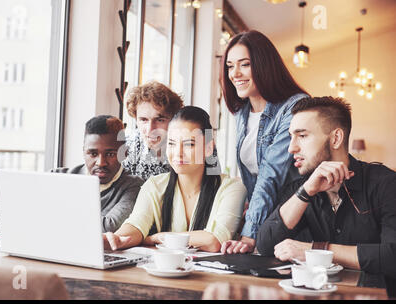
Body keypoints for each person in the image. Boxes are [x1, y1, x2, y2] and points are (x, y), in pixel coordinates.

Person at [256, 96, 396, 281]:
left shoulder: (385, 183)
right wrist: (306, 192)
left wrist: (314, 250)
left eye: (302, 136)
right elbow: (266, 245)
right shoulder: (300, 188)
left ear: (336, 138)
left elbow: (392, 255)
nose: (291, 148)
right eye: (291, 137)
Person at [104, 106, 247, 252]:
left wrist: (159, 237)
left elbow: (214, 240)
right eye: (171, 143)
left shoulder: (232, 188)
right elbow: (136, 224)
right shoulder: (155, 185)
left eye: (189, 144)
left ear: (208, 148)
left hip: (214, 274)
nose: (177, 153)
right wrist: (117, 238)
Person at [0, 115, 143, 235]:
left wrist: (35, 221)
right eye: (92, 154)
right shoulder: (57, 177)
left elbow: (108, 227)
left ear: (124, 153)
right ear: (84, 152)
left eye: (110, 154)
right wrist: (8, 230)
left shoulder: (134, 186)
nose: (101, 162)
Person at [219, 30, 309, 254]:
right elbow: (252, 178)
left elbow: (270, 173)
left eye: (244, 64)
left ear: (264, 65)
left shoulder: (294, 106)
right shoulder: (242, 112)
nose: (235, 73)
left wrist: (249, 234)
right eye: (230, 66)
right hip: (267, 219)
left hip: (299, 220)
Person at [123, 81, 184, 180]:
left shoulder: (189, 149)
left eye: (160, 120)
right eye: (143, 120)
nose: (150, 129)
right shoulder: (126, 147)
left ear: (174, 120)